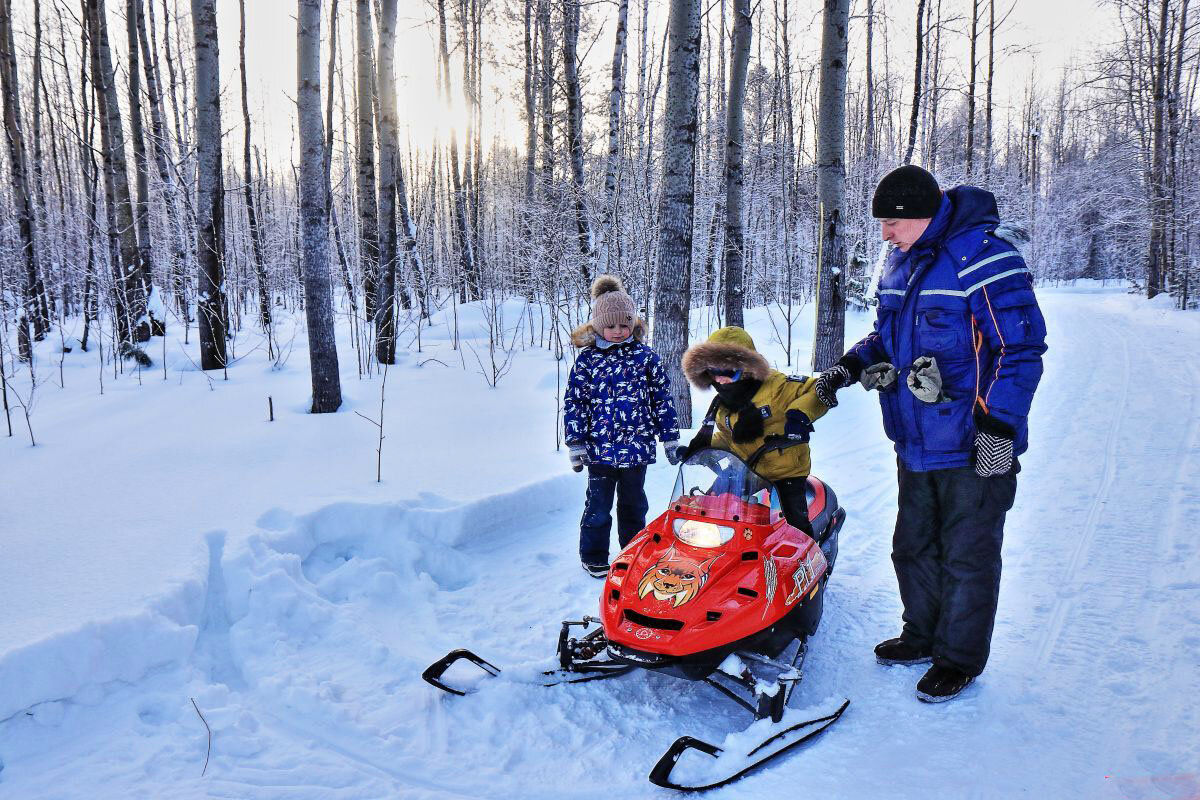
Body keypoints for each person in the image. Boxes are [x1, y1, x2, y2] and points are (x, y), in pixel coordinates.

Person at [813, 164, 1047, 703]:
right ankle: (921, 635)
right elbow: (886, 337)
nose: (884, 235)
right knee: (913, 546)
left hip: (974, 444)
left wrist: (997, 428)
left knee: (968, 554)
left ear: (921, 215)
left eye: (891, 223)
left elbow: (1020, 351)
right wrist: (848, 368)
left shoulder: (985, 257)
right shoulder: (902, 263)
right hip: (915, 439)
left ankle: (958, 659)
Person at [564, 276, 681, 578]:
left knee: (633, 505)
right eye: (611, 325)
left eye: (624, 325)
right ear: (599, 326)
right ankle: (593, 554)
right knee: (598, 507)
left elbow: (662, 400)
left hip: (636, 449)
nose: (618, 331)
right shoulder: (588, 361)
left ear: (633, 324)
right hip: (599, 452)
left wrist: (670, 438)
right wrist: (575, 444)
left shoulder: (645, 358)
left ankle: (632, 551)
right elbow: (575, 403)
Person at [679, 327, 830, 536]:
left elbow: (818, 389)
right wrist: (702, 449)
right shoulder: (723, 401)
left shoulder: (777, 387)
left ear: (747, 369)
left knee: (794, 526)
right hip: (744, 469)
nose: (721, 380)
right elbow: (726, 436)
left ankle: (808, 560)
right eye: (714, 371)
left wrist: (800, 416)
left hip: (784, 470)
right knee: (709, 509)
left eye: (729, 372)